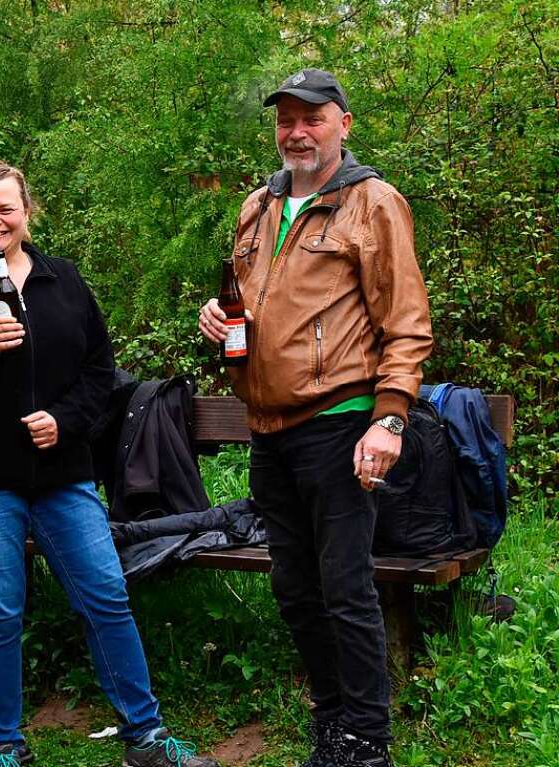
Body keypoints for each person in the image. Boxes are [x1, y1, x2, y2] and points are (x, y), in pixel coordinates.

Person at [0, 161, 216, 767]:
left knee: (104, 593)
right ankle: (1, 745)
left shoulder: (62, 280)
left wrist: (64, 421)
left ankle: (145, 739)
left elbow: (100, 373)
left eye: (5, 209)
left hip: (61, 474)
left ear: (27, 212)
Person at [199, 69, 433, 767]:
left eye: (313, 117)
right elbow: (244, 306)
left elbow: (408, 321)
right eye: (286, 119)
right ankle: (334, 722)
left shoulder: (373, 202)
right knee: (295, 588)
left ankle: (367, 741)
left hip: (342, 417)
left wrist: (389, 418)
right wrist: (218, 320)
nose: (297, 131)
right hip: (268, 426)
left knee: (345, 586)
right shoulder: (256, 206)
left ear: (343, 124)